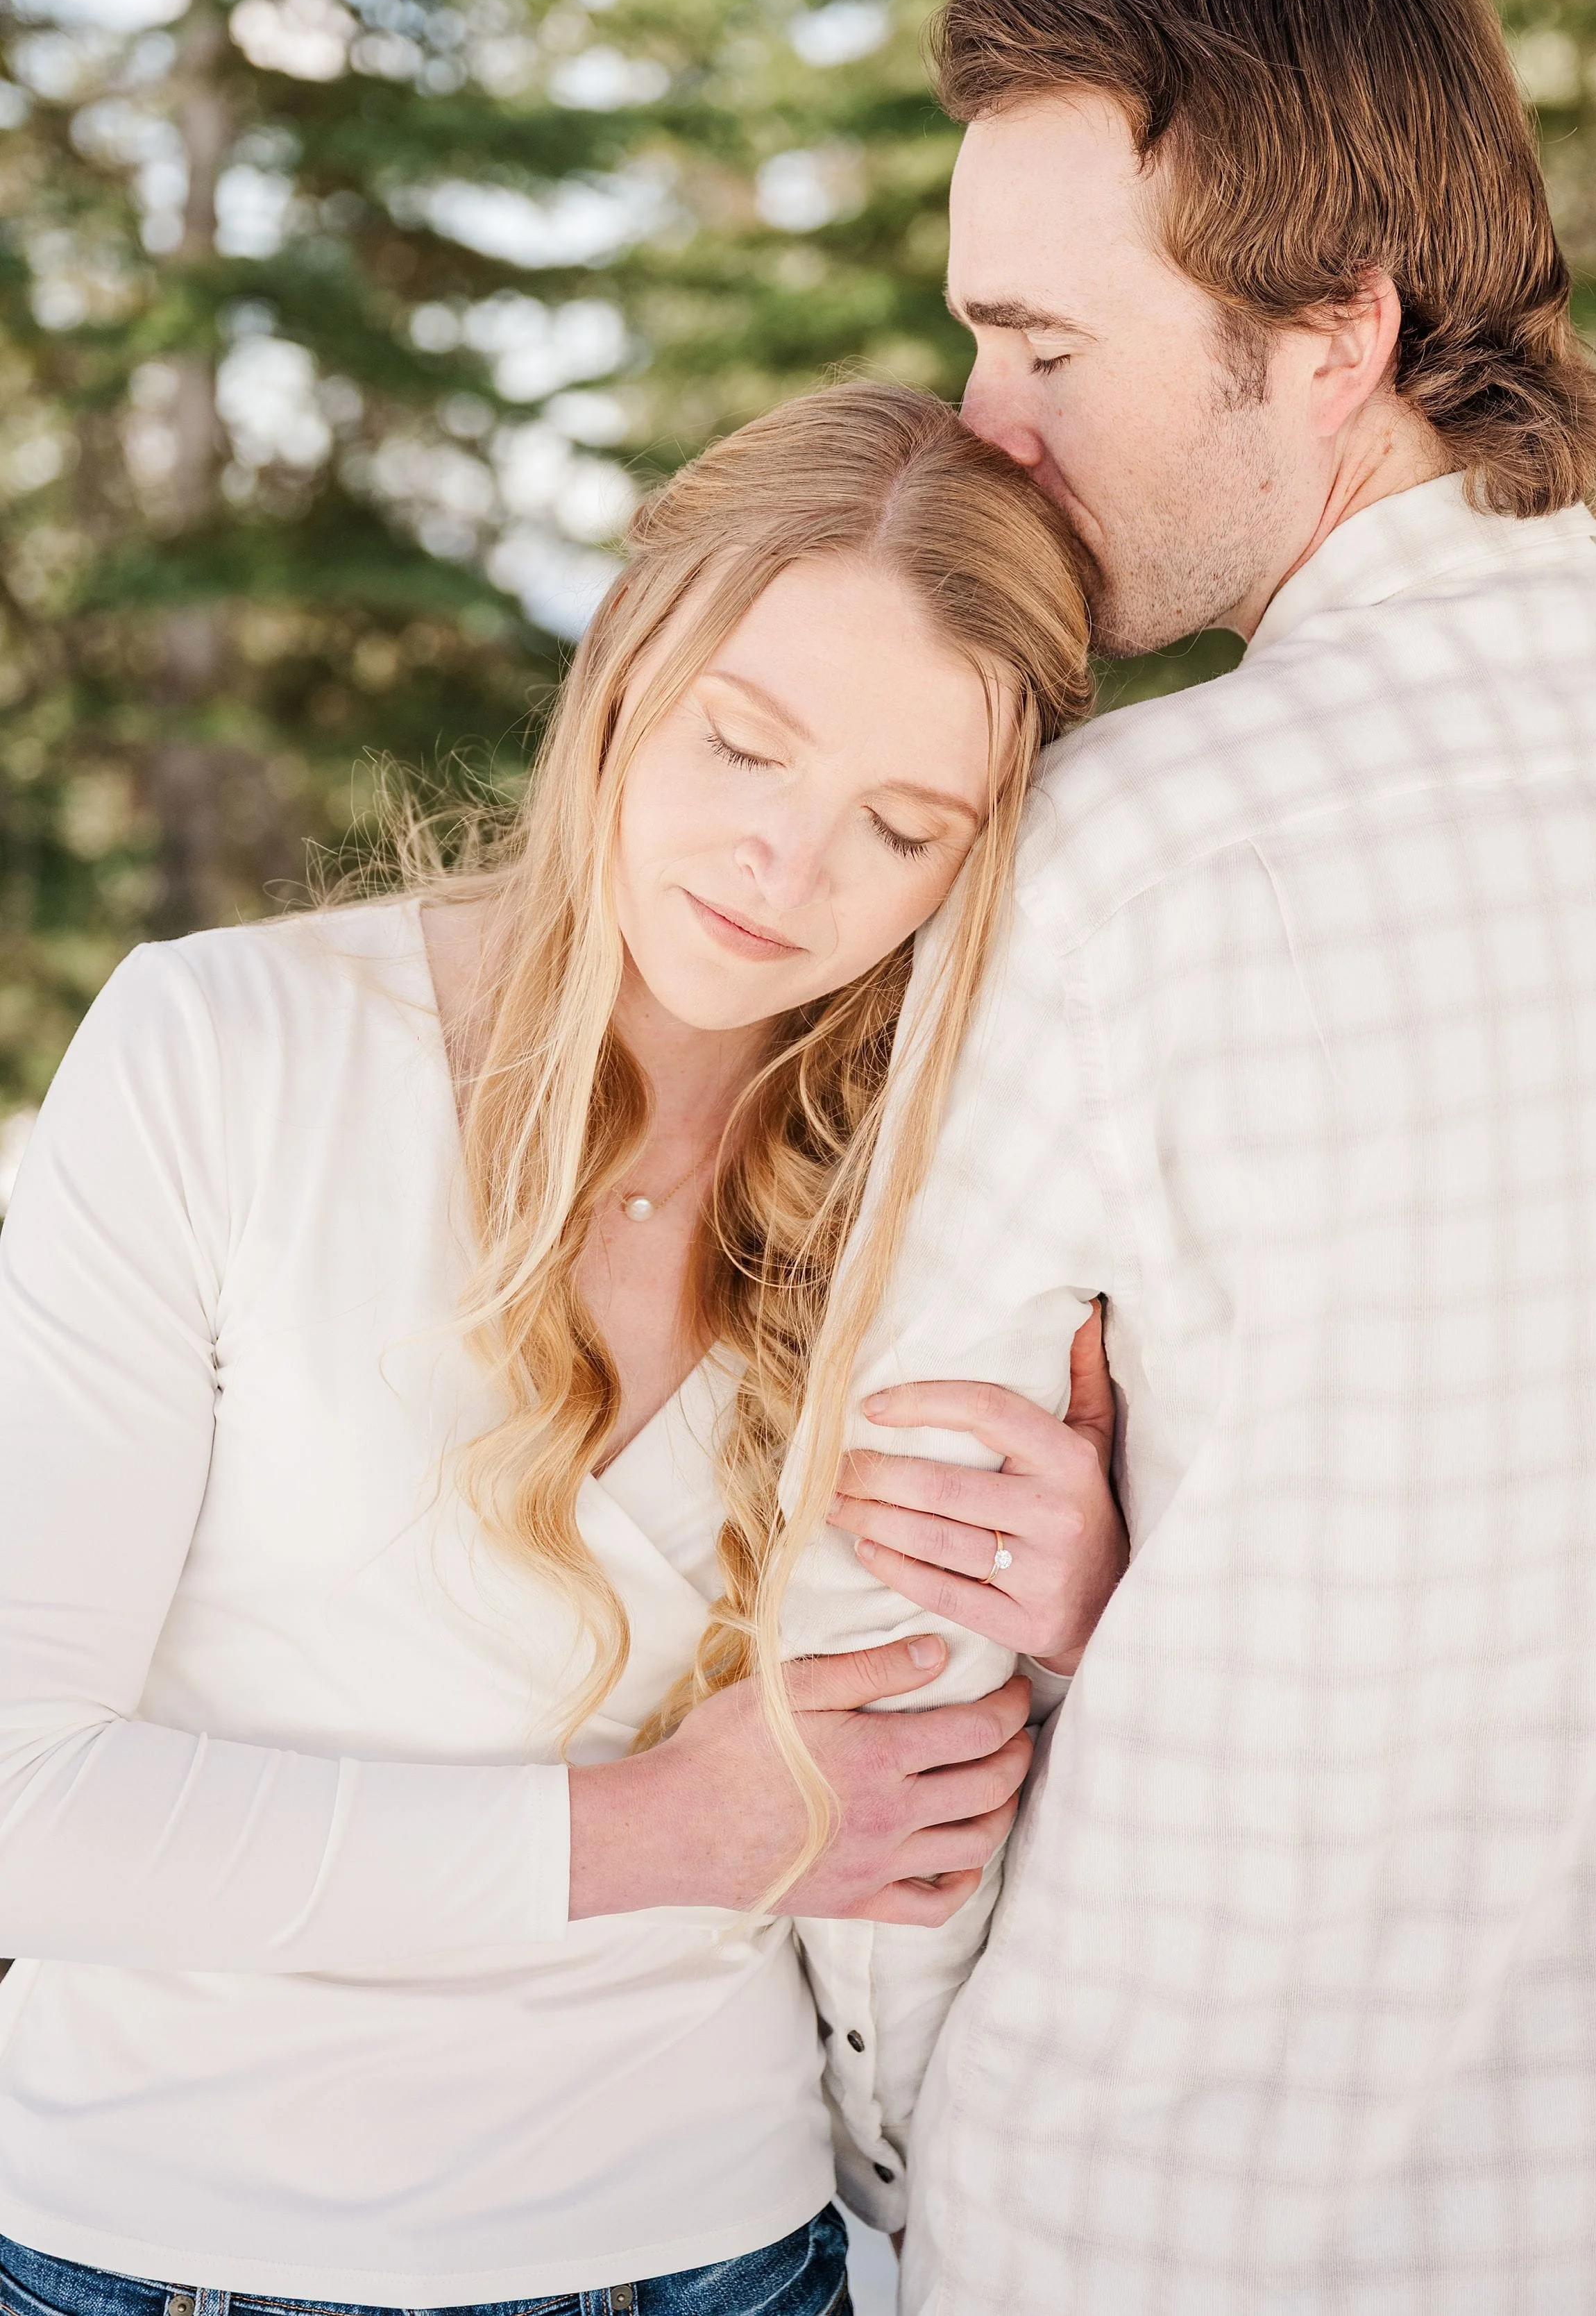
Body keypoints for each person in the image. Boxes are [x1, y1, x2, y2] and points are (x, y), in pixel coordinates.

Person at [815, 0, 1596, 2311]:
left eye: (1041, 343)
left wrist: (885, 2137)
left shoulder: (1136, 845)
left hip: (1163, 2215)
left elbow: (892, 1595)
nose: (978, 424)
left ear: (1331, 332)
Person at [0, 384, 1128, 2316]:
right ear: (627, 662)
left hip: (711, 2249)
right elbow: (28, 1811)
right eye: (743, 744)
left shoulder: (958, 1203)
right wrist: (664, 1829)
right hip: (155, 2251)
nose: (786, 867)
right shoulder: (225, 1049)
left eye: (901, 824)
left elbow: (1026, 1803)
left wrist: (1098, 1618)